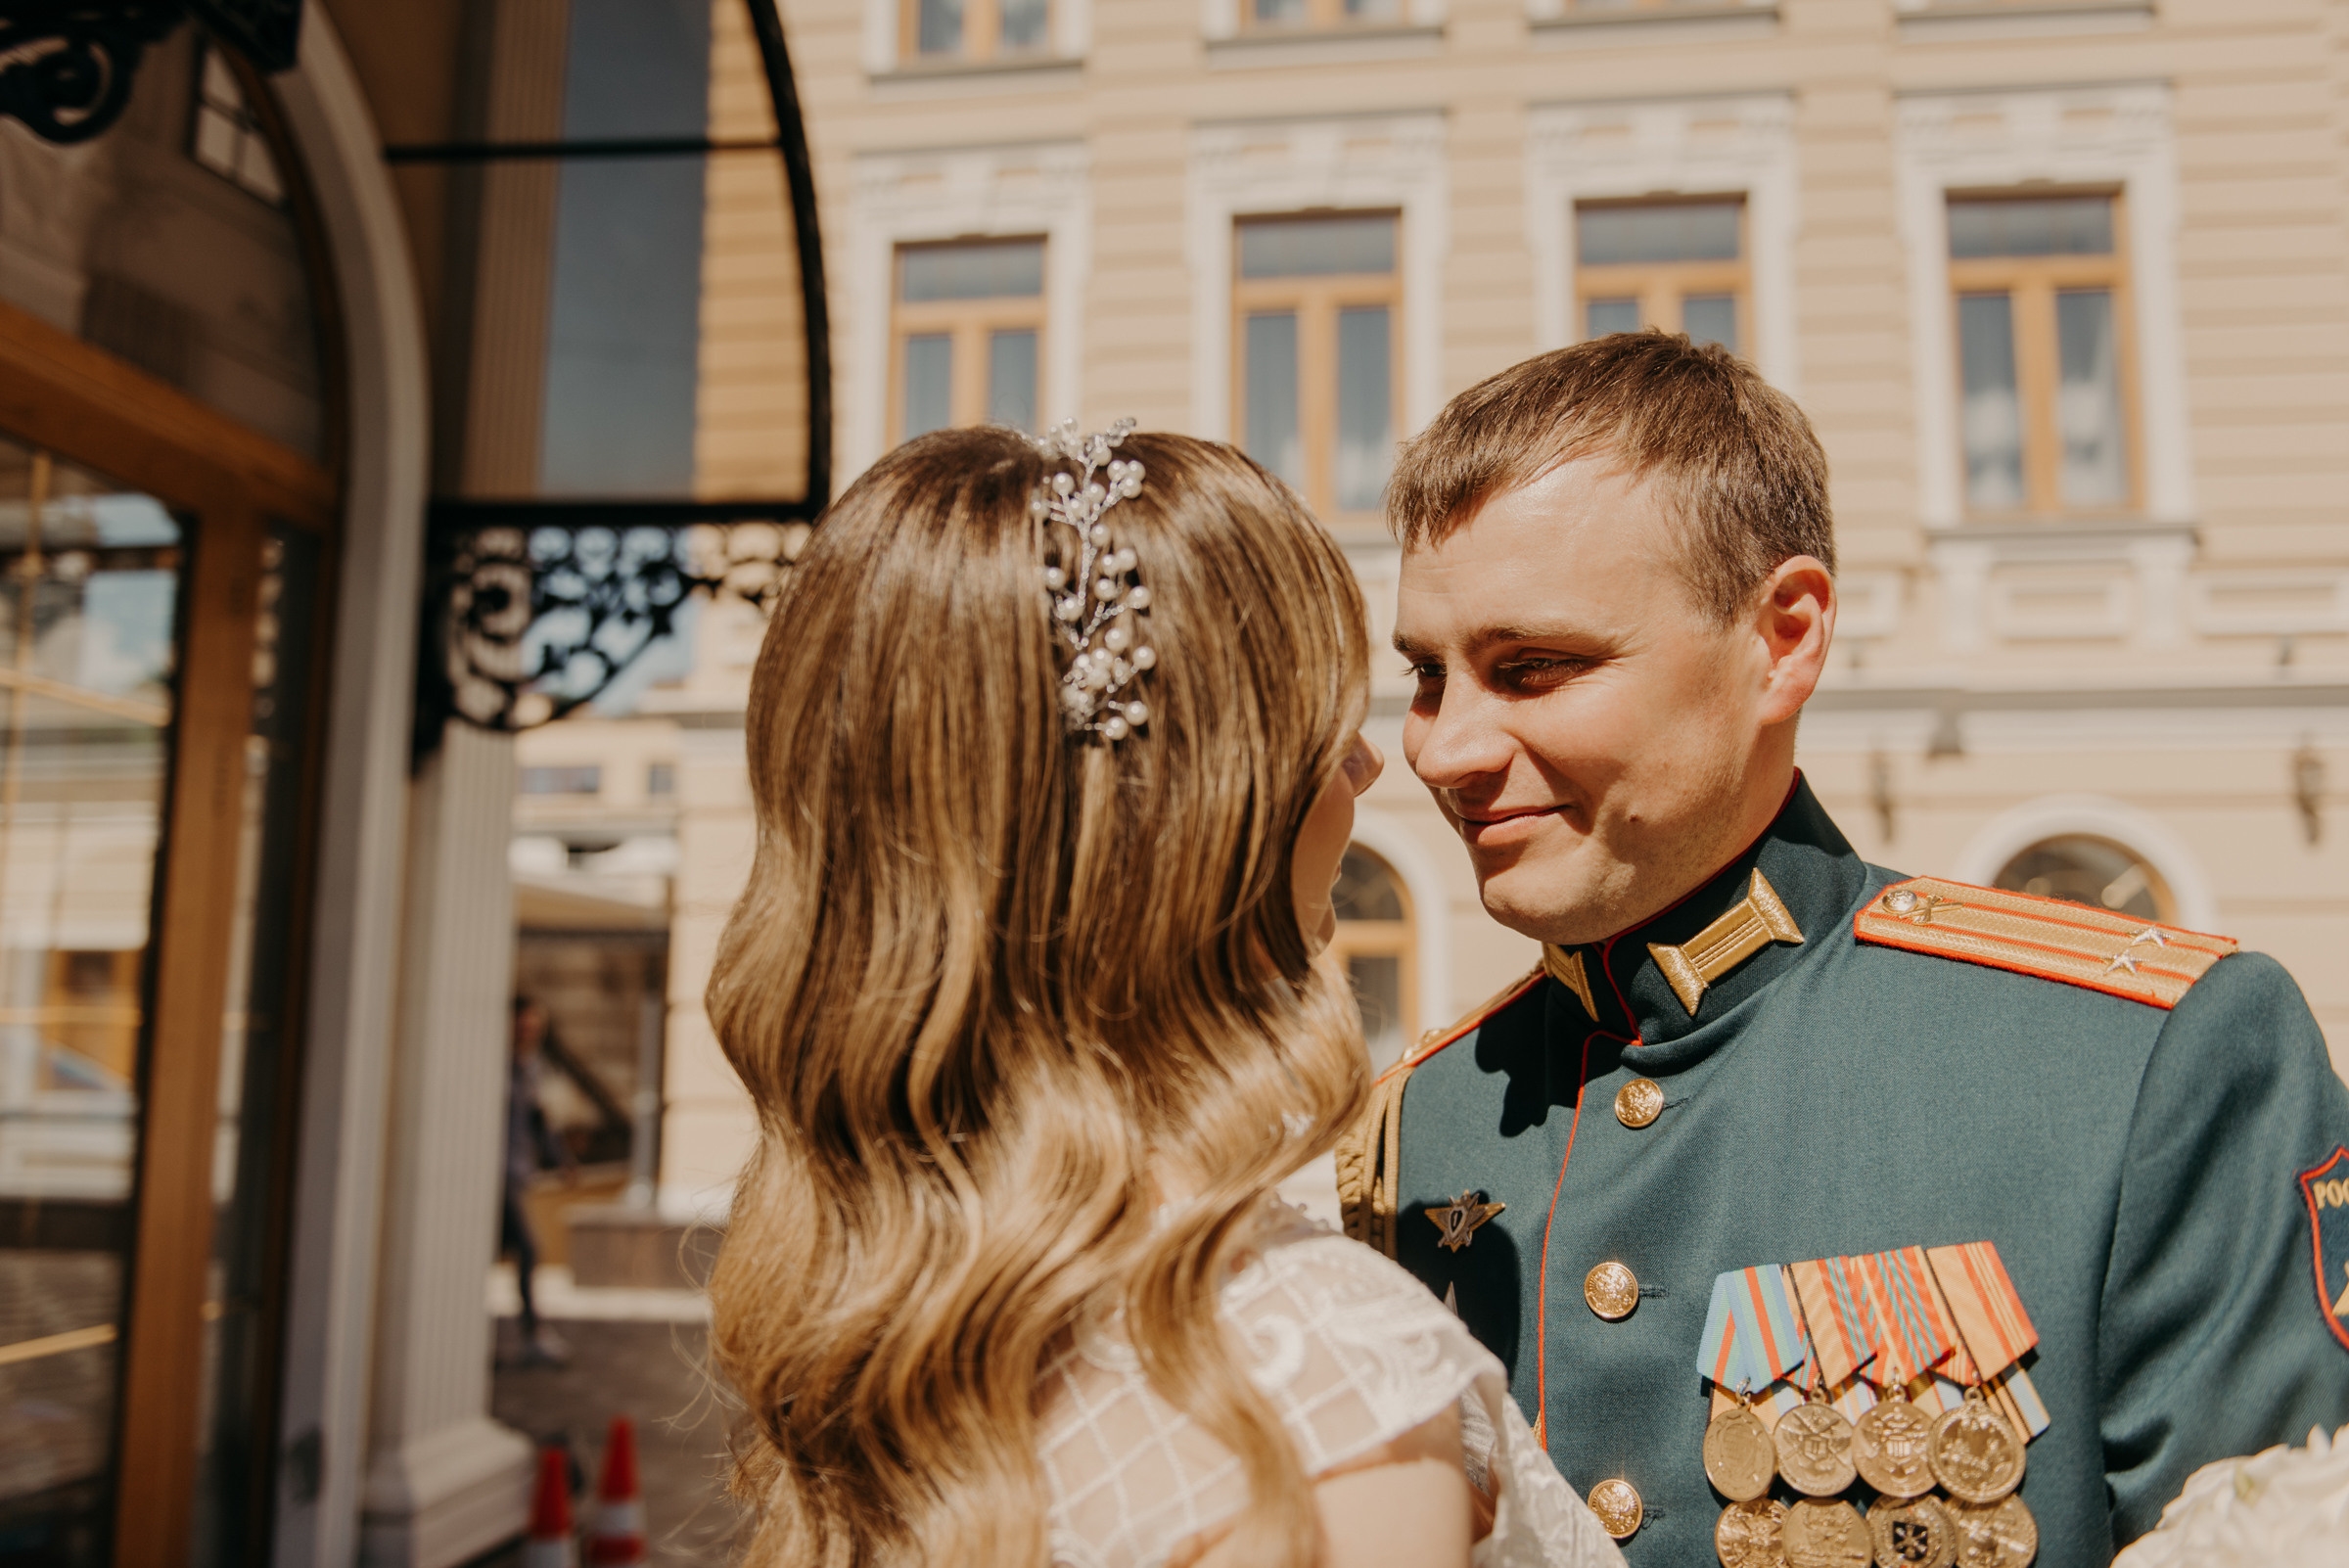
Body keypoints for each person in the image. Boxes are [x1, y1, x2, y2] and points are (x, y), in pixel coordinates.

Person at [1338, 331, 2349, 1565]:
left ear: (1786, 637)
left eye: (1534, 668)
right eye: (1429, 677)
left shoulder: (2150, 1061)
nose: (1441, 750)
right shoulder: (1411, 1131)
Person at [703, 423, 1626, 1568]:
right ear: (1198, 817)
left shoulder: (900, 1289)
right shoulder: (1319, 1375)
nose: (1379, 765)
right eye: (1322, 720)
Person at [503, 994, 573, 1367]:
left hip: (515, 1172)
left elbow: (538, 1119)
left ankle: (530, 1334)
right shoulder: (494, 1065)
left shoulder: (529, 1067)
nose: (529, 1032)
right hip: (496, 1175)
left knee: (522, 1253)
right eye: (523, 1025)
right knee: (528, 1250)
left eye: (534, 1027)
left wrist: (561, 1158)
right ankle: (532, 1335)